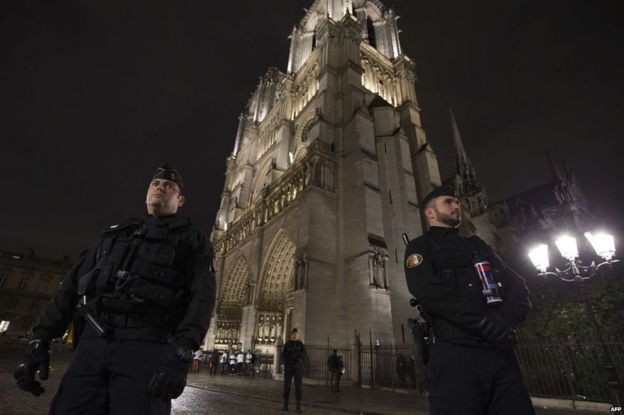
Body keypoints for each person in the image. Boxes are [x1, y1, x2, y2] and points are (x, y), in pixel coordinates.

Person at [13, 164, 216, 415]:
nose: (160, 187)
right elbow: (71, 288)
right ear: (146, 194)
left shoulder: (193, 241)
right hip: (93, 344)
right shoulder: (112, 236)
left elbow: (201, 299)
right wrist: (39, 340)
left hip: (147, 346)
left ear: (180, 199)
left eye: (169, 186)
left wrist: (182, 353)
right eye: (155, 184)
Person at [404, 185, 534, 415]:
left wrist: (505, 319)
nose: (457, 205)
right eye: (448, 202)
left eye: (457, 201)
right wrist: (481, 322)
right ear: (430, 213)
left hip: (500, 353)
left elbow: (518, 286)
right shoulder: (419, 247)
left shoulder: (477, 245)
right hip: (456, 353)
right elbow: (429, 292)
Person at [282, 328, 306, 413]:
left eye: (297, 334)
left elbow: (304, 355)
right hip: (289, 367)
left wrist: (298, 358)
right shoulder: (287, 344)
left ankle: (298, 406)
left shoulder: (301, 344)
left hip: (298, 368)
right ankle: (285, 404)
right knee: (287, 386)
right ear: (291, 335)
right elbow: (284, 355)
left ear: (298, 335)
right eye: (294, 334)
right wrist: (292, 358)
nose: (295, 336)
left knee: (298, 387)